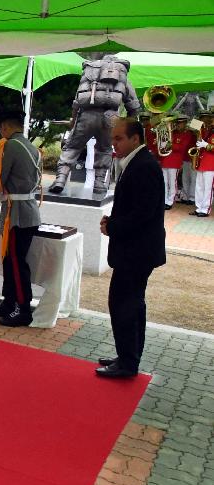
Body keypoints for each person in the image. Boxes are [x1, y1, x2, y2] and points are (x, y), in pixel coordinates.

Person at [96, 117, 166, 378]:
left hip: (136, 251)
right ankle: (128, 355)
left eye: (118, 138)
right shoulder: (137, 162)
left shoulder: (144, 166)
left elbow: (142, 213)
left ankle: (127, 363)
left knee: (124, 304)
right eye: (113, 138)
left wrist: (112, 227)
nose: (114, 143)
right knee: (132, 304)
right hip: (136, 249)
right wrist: (113, 221)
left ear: (135, 139)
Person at [0, 111, 42, 327]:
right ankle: (9, 301)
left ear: (5, 127)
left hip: (17, 214)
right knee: (9, 259)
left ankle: (23, 309)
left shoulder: (9, 146)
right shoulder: (30, 146)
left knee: (16, 263)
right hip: (24, 210)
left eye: (1, 129)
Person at [50, 55, 140, 194]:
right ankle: (99, 184)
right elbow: (133, 106)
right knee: (104, 149)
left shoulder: (89, 74)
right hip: (111, 118)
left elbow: (77, 101)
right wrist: (127, 125)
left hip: (86, 115)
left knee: (72, 147)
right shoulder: (122, 78)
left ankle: (60, 180)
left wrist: (74, 120)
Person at [161, 115, 195, 210]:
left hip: (175, 161)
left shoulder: (187, 134)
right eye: (177, 123)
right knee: (164, 182)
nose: (178, 125)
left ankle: (170, 201)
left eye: (180, 123)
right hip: (165, 160)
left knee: (172, 182)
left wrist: (171, 145)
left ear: (184, 123)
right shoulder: (172, 133)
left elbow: (182, 147)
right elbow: (162, 145)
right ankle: (164, 200)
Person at [191, 112, 214, 217]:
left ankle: (205, 209)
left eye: (207, 118)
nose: (205, 120)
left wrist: (206, 145)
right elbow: (193, 128)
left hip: (211, 164)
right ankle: (199, 207)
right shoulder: (206, 130)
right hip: (202, 162)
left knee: (208, 188)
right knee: (199, 186)